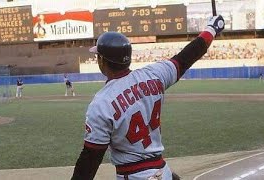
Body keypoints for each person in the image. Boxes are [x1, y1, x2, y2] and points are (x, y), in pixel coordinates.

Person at [71, 15, 225, 180]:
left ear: (102, 60)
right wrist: (212, 28)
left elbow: (90, 160)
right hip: (161, 171)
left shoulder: (101, 103)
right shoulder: (154, 74)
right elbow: (188, 56)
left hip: (133, 175)